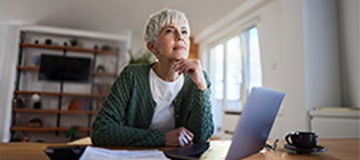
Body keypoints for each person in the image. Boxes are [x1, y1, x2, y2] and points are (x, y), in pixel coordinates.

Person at [91, 8, 214, 147]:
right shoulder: (132, 76)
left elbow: (201, 137)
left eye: (184, 31)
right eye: (169, 30)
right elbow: (101, 130)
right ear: (153, 47)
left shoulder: (199, 79)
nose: (180, 36)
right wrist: (163, 138)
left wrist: (201, 87)